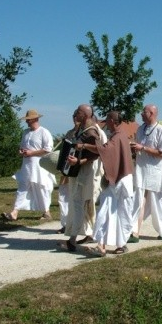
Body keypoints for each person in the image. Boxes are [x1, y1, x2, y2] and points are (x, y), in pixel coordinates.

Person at [79, 111, 134, 257]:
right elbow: (106, 150)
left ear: (113, 121)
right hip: (117, 180)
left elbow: (104, 150)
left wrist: (85, 145)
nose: (106, 123)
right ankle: (103, 245)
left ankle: (119, 244)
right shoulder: (118, 136)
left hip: (121, 181)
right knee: (107, 210)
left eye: (108, 120)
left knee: (120, 212)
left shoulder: (118, 136)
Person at [62, 104, 107, 252]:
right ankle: (76, 237)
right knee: (77, 204)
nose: (76, 114)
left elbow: (98, 152)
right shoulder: (80, 129)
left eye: (79, 112)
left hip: (84, 172)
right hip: (77, 172)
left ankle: (73, 239)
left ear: (86, 115)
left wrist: (79, 160)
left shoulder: (91, 131)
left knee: (79, 204)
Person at [2, 109, 56, 222]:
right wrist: (22, 152)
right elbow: (22, 146)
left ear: (36, 119)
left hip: (40, 166)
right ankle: (14, 212)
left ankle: (46, 211)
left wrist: (32, 153)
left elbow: (48, 149)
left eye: (29, 120)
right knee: (22, 187)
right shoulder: (25, 132)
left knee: (42, 188)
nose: (27, 122)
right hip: (26, 166)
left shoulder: (44, 132)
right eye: (27, 120)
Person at [128, 104, 162, 242]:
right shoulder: (140, 129)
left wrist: (143, 148)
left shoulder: (161, 130)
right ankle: (134, 231)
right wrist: (134, 148)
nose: (141, 114)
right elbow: (140, 147)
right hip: (141, 170)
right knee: (138, 200)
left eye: (144, 112)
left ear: (152, 113)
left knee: (158, 202)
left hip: (156, 172)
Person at [57, 110, 80, 234]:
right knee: (63, 197)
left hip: (78, 171)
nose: (75, 119)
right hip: (66, 171)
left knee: (75, 199)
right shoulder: (69, 133)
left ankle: (74, 225)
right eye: (74, 117)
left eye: (77, 116)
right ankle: (65, 224)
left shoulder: (85, 134)